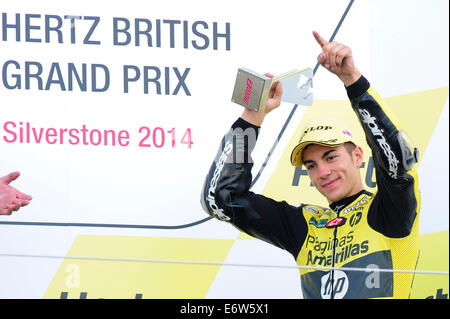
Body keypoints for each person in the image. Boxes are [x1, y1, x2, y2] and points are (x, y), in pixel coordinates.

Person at [200, 31, 420, 299]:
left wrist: (353, 81)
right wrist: (252, 117)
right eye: (311, 165)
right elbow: (221, 199)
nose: (322, 172)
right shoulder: (305, 226)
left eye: (330, 157)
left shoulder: (389, 211)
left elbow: (397, 159)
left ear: (358, 156)